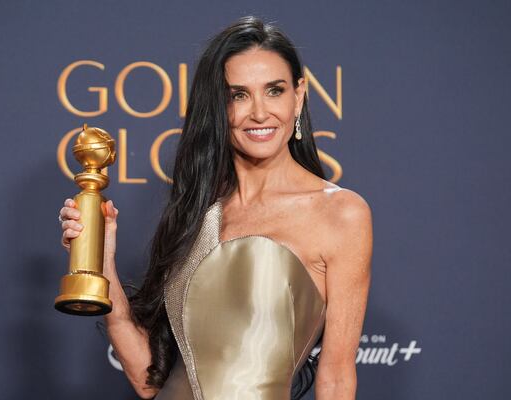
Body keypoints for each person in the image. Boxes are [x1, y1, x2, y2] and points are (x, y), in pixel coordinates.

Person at [58, 16, 372, 400]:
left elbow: (337, 377)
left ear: (299, 95)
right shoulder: (197, 211)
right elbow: (148, 383)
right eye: (238, 95)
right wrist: (102, 263)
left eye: (274, 91)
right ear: (218, 106)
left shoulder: (341, 213)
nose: (259, 112)